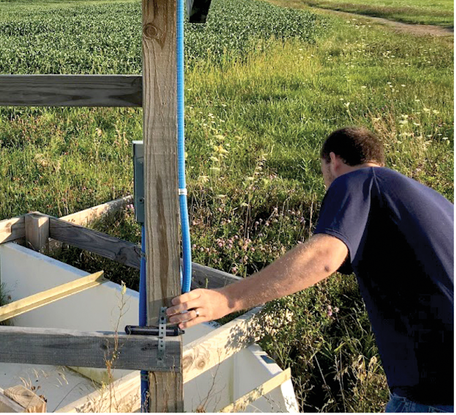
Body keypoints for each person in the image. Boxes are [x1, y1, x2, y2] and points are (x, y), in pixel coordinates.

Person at [166, 126, 453, 412]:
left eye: (323, 173)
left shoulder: (358, 181)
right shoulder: (429, 199)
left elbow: (324, 256)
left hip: (432, 392)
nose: (326, 183)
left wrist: (227, 299)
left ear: (334, 161)